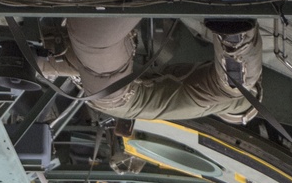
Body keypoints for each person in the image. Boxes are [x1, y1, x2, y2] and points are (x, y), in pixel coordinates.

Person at [39, 16, 263, 123]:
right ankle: (234, 34)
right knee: (90, 52)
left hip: (113, 96)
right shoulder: (197, 103)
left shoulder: (206, 101)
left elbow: (236, 91)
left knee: (236, 86)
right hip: (108, 95)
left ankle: (235, 34)